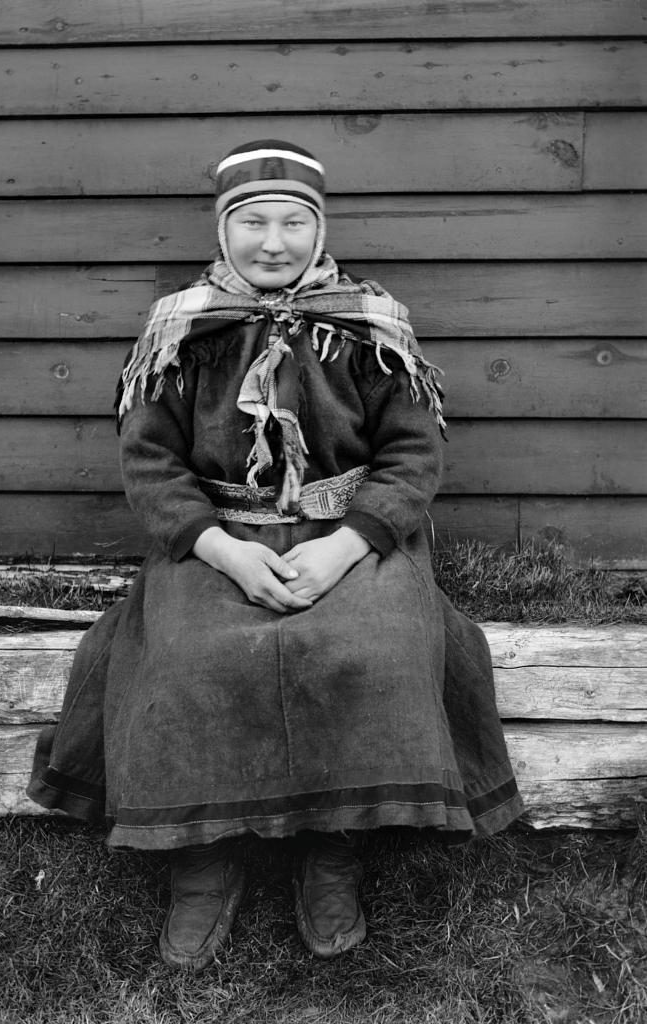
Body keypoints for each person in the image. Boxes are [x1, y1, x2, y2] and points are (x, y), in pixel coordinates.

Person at [28, 140, 523, 971]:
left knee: (371, 649)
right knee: (185, 658)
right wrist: (219, 549)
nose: (272, 241)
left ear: (318, 227)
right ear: (223, 233)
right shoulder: (180, 330)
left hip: (351, 536)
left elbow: (411, 458)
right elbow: (151, 464)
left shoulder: (370, 326)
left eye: (292, 222)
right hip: (220, 539)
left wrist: (345, 550)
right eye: (251, 222)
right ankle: (201, 860)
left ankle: (332, 851)